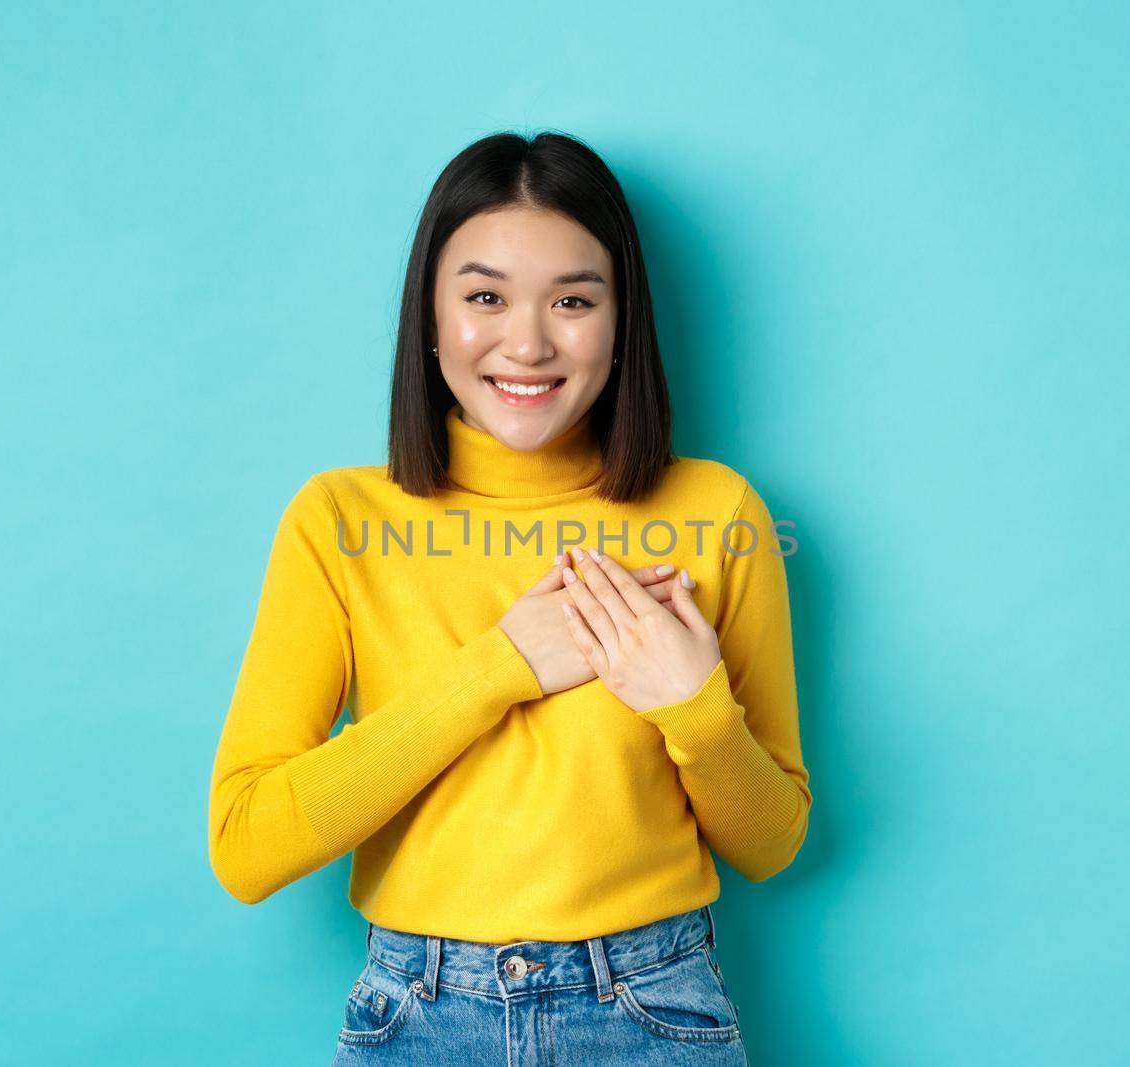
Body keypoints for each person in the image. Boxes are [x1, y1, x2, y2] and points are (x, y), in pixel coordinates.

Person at [206, 130, 811, 1065]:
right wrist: (501, 665)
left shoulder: (717, 511)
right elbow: (246, 846)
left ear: (622, 322)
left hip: (654, 1008)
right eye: (485, 296)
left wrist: (695, 709)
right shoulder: (337, 518)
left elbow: (772, 844)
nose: (527, 342)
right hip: (419, 1013)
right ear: (432, 319)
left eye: (573, 300)